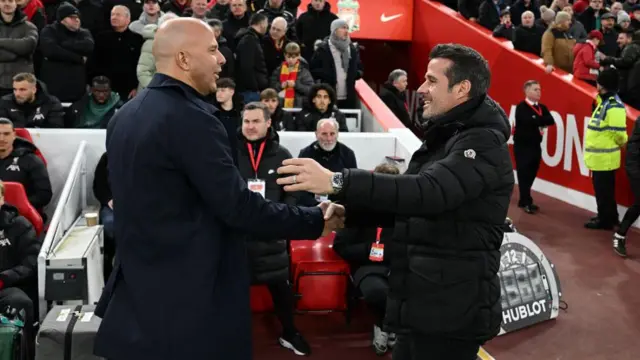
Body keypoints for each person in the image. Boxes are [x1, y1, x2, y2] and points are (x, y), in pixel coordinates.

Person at [93, 18, 345, 360]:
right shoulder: (192, 118)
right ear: (183, 59)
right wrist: (314, 220)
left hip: (136, 299)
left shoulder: (124, 116)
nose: (222, 59)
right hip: (188, 304)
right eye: (212, 50)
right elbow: (238, 207)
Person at [277, 43, 515, 360]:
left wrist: (338, 181)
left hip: (451, 311)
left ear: (461, 89)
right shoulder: (448, 135)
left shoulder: (482, 141)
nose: (422, 89)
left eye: (432, 80)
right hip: (426, 303)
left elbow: (427, 192)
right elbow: (414, 206)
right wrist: (351, 215)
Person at [513, 80, 555, 214]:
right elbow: (527, 121)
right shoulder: (521, 107)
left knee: (533, 171)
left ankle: (525, 198)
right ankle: (525, 200)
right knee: (524, 173)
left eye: (540, 89)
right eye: (535, 89)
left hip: (536, 144)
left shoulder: (542, 107)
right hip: (522, 145)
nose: (539, 92)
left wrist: (536, 119)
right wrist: (538, 120)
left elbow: (550, 120)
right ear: (527, 91)